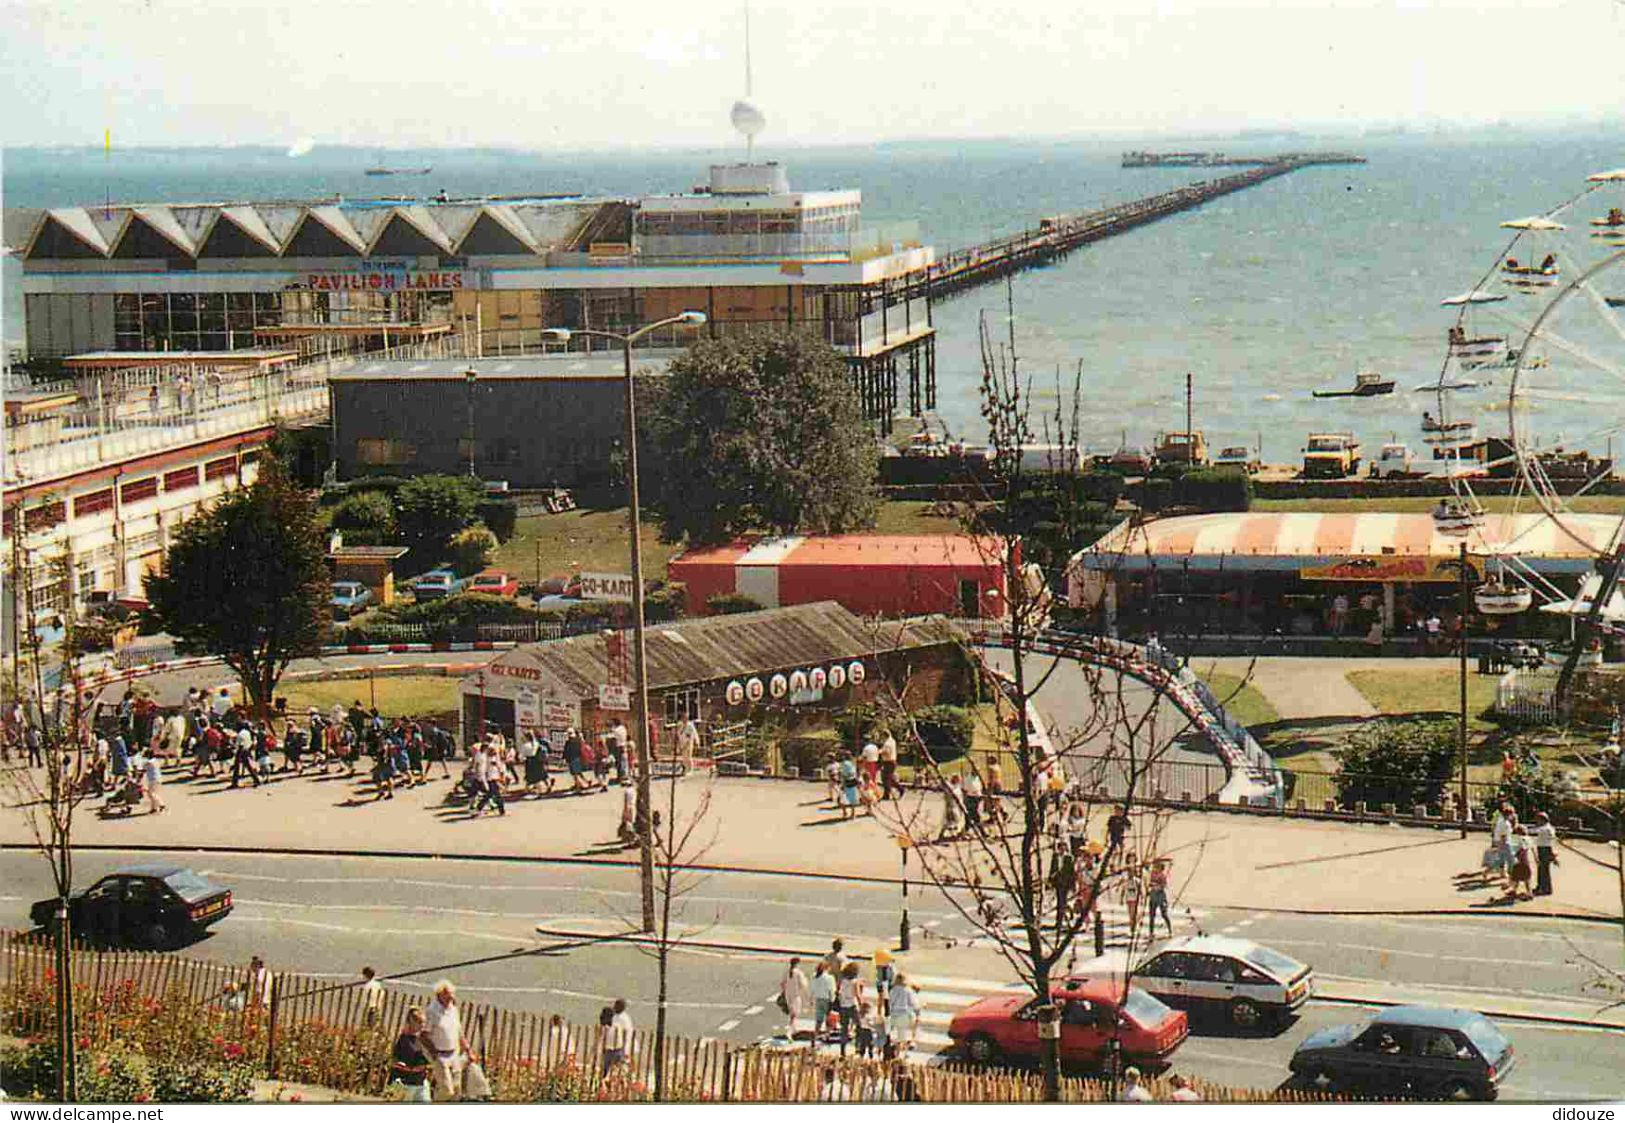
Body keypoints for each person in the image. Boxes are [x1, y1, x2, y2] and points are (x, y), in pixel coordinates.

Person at [423, 979, 468, 1101]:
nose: (451, 997)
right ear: (439, 995)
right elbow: (424, 1034)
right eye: (447, 994)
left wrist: (467, 1049)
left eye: (452, 993)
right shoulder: (432, 1011)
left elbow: (459, 1031)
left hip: (454, 1053)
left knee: (456, 1090)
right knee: (446, 1090)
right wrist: (434, 1054)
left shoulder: (453, 1009)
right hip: (440, 1054)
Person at [391, 1007, 433, 1102]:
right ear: (411, 1022)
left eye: (423, 1022)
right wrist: (412, 1069)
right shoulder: (404, 1040)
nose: (422, 1025)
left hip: (421, 1082)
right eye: (419, 1022)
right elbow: (395, 1062)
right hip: (405, 1083)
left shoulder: (420, 1040)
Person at [884, 973, 919, 1054]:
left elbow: (889, 1003)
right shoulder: (908, 991)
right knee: (902, 1035)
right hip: (904, 1015)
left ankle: (894, 1049)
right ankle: (901, 1052)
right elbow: (914, 1004)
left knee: (894, 1034)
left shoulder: (892, 990)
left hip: (893, 1015)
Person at [836, 962, 864, 1055]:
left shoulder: (842, 980)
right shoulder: (855, 982)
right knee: (859, 1026)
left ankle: (842, 1050)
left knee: (844, 1028)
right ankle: (857, 1046)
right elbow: (858, 995)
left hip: (843, 1006)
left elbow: (838, 992)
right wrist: (862, 1006)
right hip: (852, 1006)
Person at [780, 956, 811, 1038]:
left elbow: (782, 984)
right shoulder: (798, 973)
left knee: (791, 1012)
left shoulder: (787, 972)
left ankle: (793, 1028)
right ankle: (789, 1031)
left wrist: (784, 992)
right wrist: (807, 995)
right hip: (796, 995)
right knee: (795, 1013)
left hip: (788, 994)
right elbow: (804, 985)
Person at [601, 998, 633, 1077]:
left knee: (618, 1069)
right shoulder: (614, 1016)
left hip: (619, 1047)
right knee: (607, 1069)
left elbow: (627, 1035)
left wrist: (626, 1050)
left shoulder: (625, 1019)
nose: (615, 1007)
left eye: (617, 1005)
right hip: (610, 1047)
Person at [809, 962, 836, 1043]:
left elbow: (812, 989)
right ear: (826, 968)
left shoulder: (815, 977)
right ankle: (827, 1035)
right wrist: (832, 1000)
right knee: (828, 1019)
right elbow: (832, 990)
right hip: (827, 1000)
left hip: (818, 999)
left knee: (819, 1019)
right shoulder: (830, 978)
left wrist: (811, 999)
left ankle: (815, 1034)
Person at [1533, 811, 1558, 896]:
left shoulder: (1544, 829)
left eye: (1538, 820)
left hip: (1544, 849)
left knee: (1543, 870)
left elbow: (1534, 832)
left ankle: (1544, 888)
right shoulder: (1549, 828)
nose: (1537, 822)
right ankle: (1542, 887)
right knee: (1543, 869)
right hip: (1545, 849)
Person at [1147, 858, 1173, 936]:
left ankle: (1170, 930)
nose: (1155, 868)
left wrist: (1157, 886)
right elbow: (1150, 883)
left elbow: (1163, 885)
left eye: (1156, 867)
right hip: (1153, 896)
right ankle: (1151, 932)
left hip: (1160, 897)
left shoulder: (1162, 876)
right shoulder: (1152, 874)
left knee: (1164, 914)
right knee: (1151, 915)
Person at [1508, 825, 1535, 900]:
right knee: (1525, 877)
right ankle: (1518, 891)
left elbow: (1522, 849)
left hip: (1521, 861)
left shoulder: (1520, 839)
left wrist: (1517, 857)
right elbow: (1532, 849)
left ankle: (1529, 893)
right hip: (1526, 861)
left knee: (1517, 877)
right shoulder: (1529, 839)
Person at [878, 730, 901, 799]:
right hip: (891, 761)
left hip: (888, 762)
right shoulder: (892, 741)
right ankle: (888, 793)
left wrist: (879, 752)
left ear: (884, 735)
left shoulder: (887, 743)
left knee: (886, 778)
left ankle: (888, 793)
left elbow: (887, 751)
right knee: (888, 778)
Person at [962, 765, 985, 833]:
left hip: (978, 798)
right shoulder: (968, 778)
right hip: (970, 798)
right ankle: (982, 832)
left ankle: (965, 831)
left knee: (971, 816)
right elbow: (965, 790)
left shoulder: (978, 778)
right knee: (975, 816)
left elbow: (980, 788)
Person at [838, 753, 861, 820]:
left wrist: (842, 783)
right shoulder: (852, 763)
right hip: (853, 781)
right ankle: (853, 814)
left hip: (847, 782)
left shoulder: (844, 764)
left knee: (842, 799)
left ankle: (845, 813)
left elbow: (844, 775)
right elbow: (856, 773)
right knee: (852, 799)